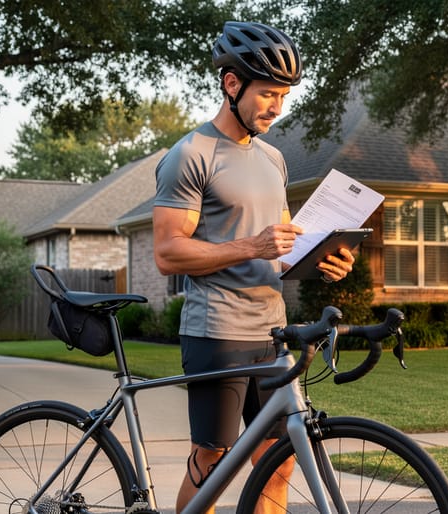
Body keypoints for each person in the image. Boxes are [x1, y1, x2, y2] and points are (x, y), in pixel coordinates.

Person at [152, 21, 355, 513]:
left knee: (278, 460)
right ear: (231, 84)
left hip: (274, 332)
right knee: (211, 461)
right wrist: (252, 246)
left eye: (283, 97)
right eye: (267, 94)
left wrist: (322, 260)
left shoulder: (273, 159)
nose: (276, 107)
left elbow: (281, 245)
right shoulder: (190, 155)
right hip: (217, 330)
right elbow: (167, 253)